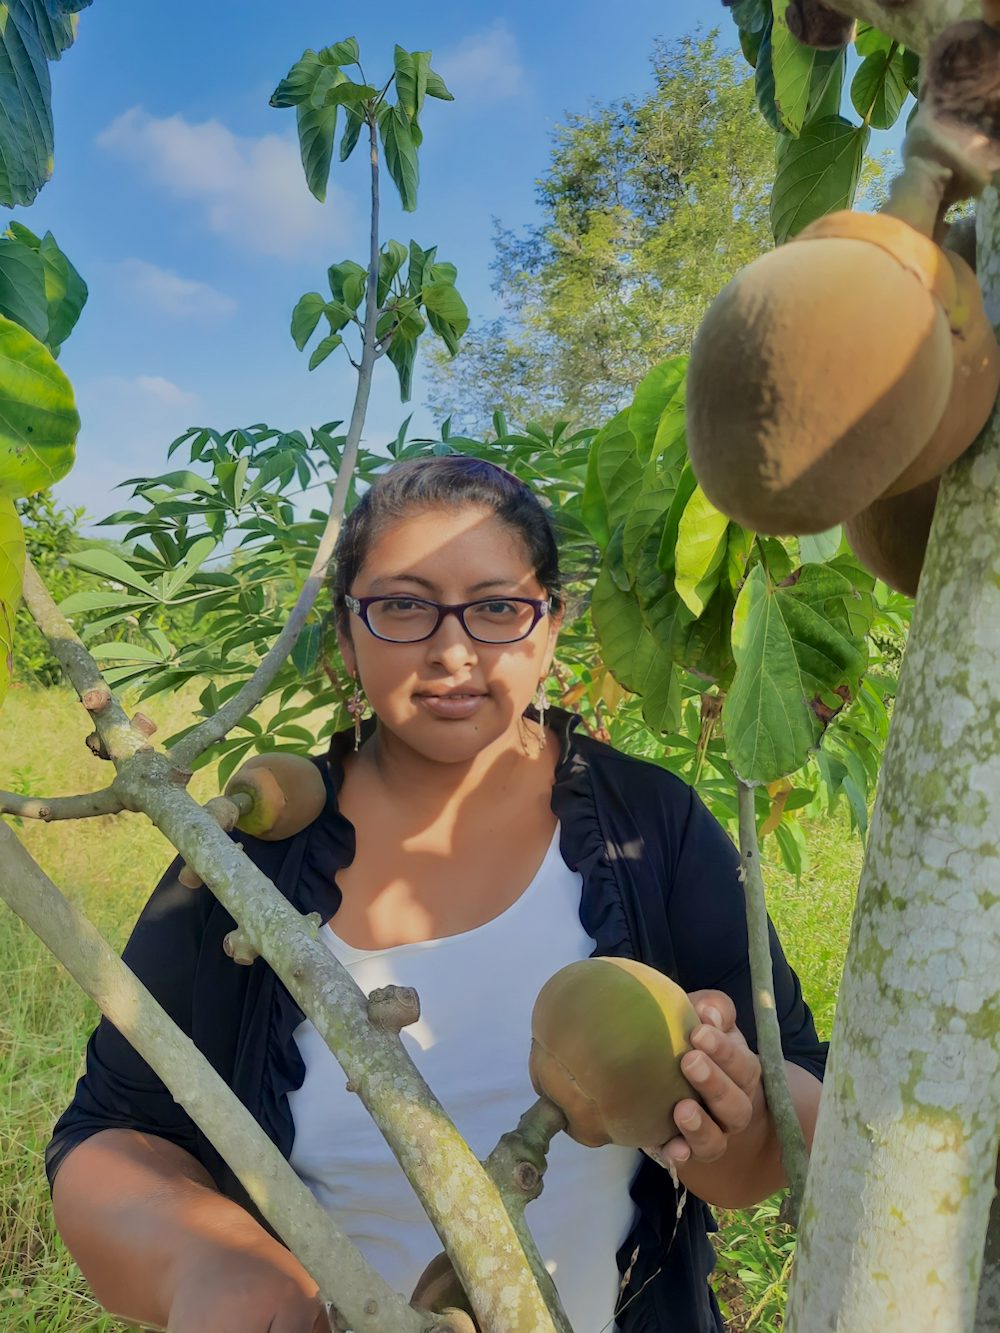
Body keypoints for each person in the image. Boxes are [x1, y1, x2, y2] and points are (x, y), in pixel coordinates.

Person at [46, 455, 827, 1333]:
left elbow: (799, 1105)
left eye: (498, 607)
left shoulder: (650, 825)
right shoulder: (245, 860)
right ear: (346, 633)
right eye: (404, 605)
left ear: (550, 629)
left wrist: (736, 1120)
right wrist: (207, 1263)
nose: (453, 651)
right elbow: (113, 1132)